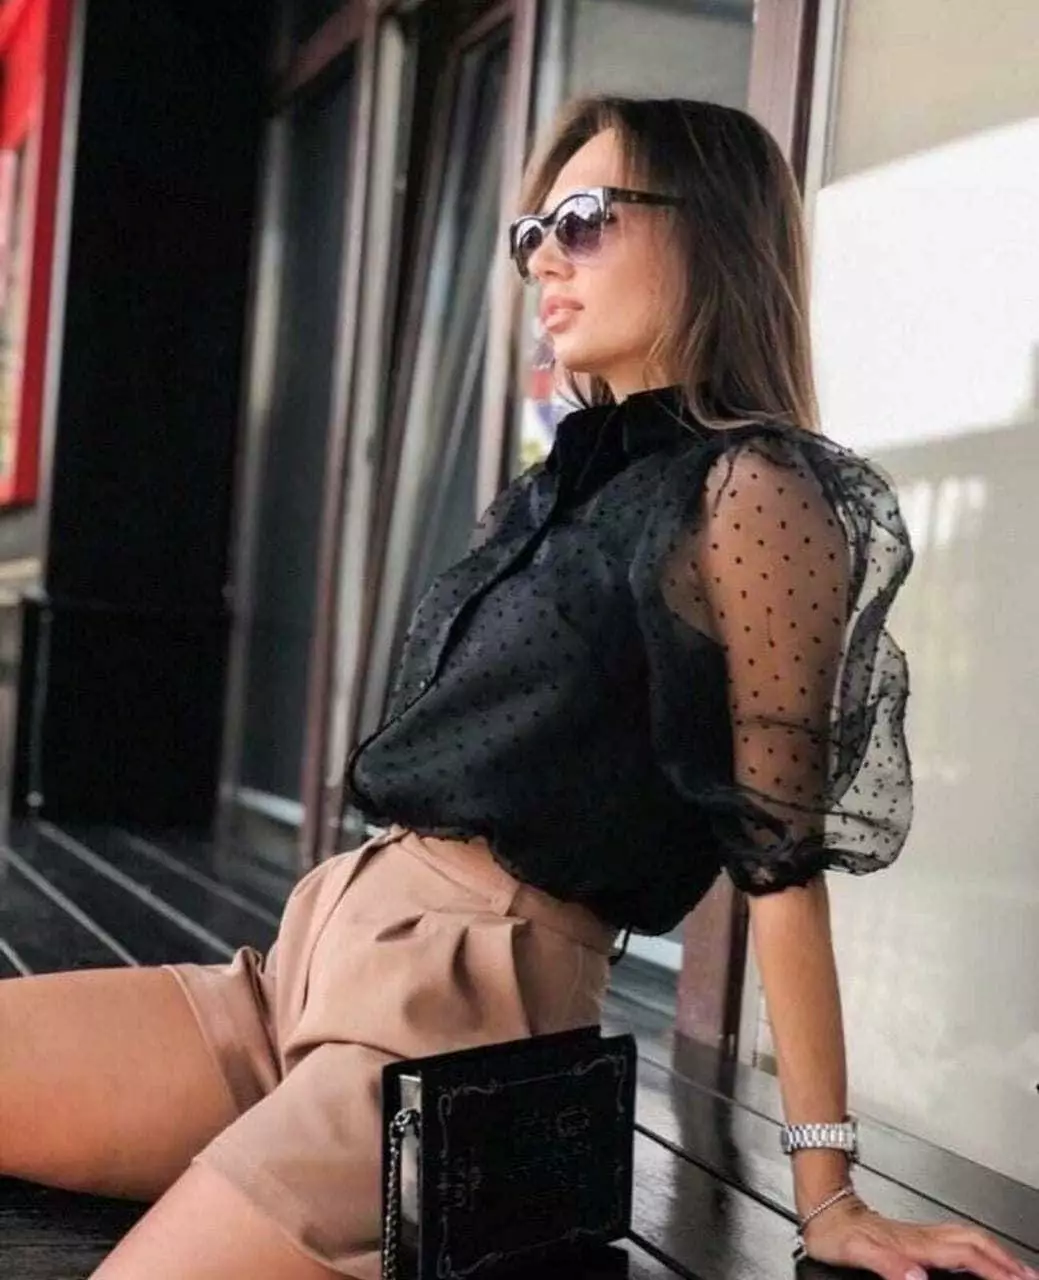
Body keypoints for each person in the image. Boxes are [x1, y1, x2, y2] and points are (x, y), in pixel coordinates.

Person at [0, 96, 1032, 1280]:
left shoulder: (755, 490)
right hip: (297, 978)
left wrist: (829, 1191)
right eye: (532, 231)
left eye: (583, 219)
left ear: (710, 232)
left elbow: (781, 867)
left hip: (454, 1030)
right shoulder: (561, 485)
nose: (544, 256)